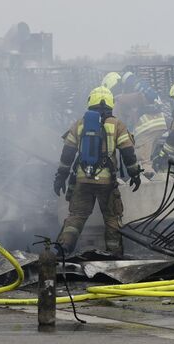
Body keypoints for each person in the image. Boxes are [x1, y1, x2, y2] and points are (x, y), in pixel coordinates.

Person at [53, 86, 142, 257]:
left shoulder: (79, 124)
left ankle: (63, 248)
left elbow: (67, 154)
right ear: (110, 104)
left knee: (76, 216)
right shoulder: (117, 125)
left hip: (82, 180)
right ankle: (114, 254)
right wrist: (135, 174)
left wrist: (60, 177)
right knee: (112, 218)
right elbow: (128, 153)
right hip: (107, 183)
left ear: (90, 102)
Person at [102, 71, 168, 178]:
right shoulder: (133, 93)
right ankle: (163, 177)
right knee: (150, 157)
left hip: (145, 128)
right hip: (160, 124)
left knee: (142, 162)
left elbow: (118, 125)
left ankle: (150, 188)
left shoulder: (119, 100)